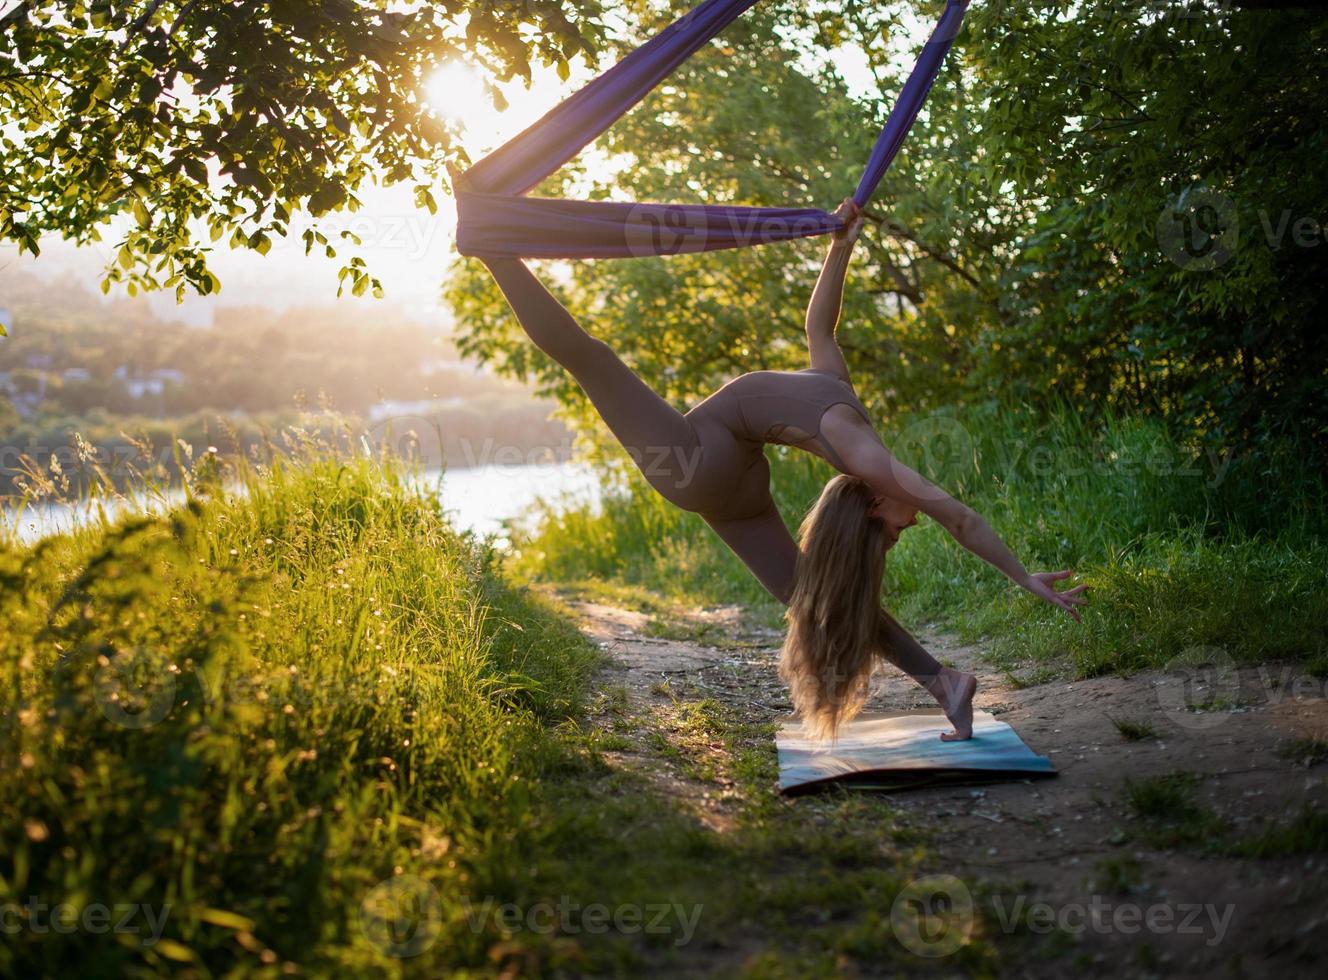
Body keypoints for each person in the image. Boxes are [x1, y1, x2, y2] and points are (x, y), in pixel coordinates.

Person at [477, 197, 1087, 741]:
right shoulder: (857, 436)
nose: (912, 522)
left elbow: (954, 513)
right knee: (812, 594)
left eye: (899, 530)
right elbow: (821, 328)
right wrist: (840, 247)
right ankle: (943, 682)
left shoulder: (855, 432)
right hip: (728, 480)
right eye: (900, 529)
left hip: (700, 460)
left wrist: (1020, 576)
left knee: (592, 358)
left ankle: (493, 249)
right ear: (874, 502)